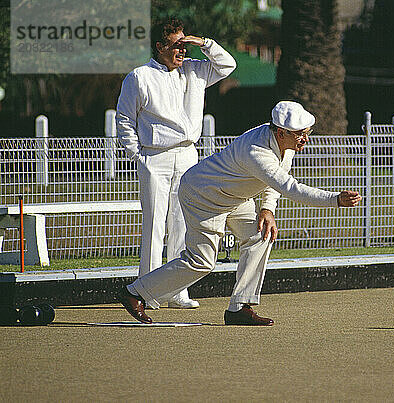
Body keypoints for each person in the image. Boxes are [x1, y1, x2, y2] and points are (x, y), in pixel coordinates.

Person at [117, 101, 362, 325]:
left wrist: (267, 209)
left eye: (306, 133)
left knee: (260, 235)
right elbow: (288, 187)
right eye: (300, 134)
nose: (304, 140)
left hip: (235, 197)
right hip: (204, 196)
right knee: (201, 262)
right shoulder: (257, 152)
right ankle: (135, 293)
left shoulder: (284, 145)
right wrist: (335, 199)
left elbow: (275, 182)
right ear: (281, 132)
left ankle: (239, 307)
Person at [115, 18, 236, 308]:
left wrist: (203, 43)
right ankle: (144, 292)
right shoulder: (139, 76)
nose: (182, 52)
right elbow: (124, 119)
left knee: (183, 224)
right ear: (159, 46)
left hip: (188, 155)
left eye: (184, 46)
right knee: (155, 224)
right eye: (176, 46)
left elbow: (227, 65)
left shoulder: (196, 70)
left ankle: (177, 291)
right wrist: (138, 156)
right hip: (154, 156)